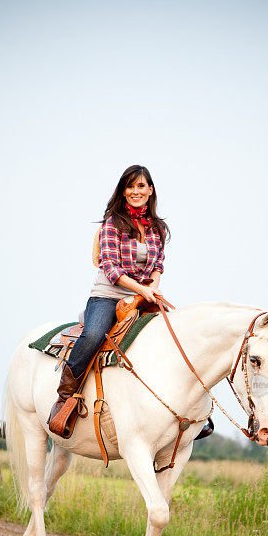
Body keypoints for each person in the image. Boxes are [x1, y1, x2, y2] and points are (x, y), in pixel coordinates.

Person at [48, 164, 169, 432]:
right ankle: (64, 398)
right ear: (123, 192)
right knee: (92, 336)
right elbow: (111, 267)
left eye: (141, 186)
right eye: (130, 186)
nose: (136, 191)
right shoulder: (112, 224)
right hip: (109, 294)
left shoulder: (157, 228)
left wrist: (152, 288)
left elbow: (158, 263)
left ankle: (191, 413)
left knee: (176, 335)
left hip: (143, 294)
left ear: (150, 190)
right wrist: (142, 289)